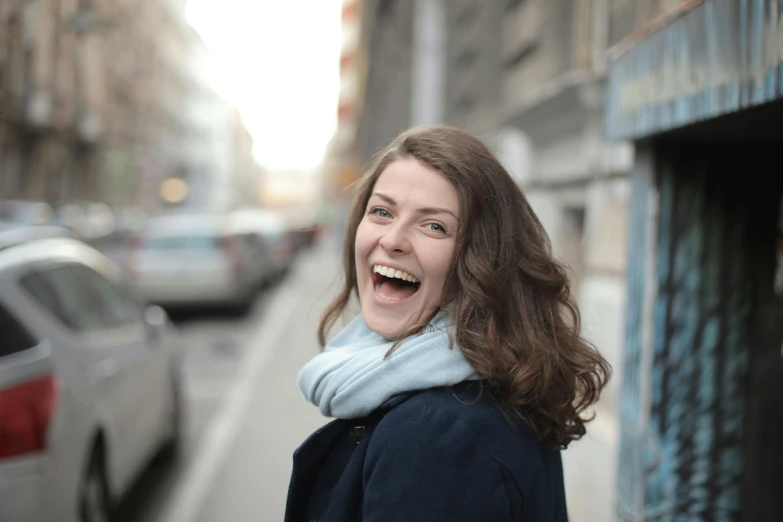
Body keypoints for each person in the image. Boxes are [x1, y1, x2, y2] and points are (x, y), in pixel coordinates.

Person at [285, 125, 611, 522]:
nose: (393, 239)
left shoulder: (435, 435)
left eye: (434, 225)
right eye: (382, 212)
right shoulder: (482, 384)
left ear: (482, 261)